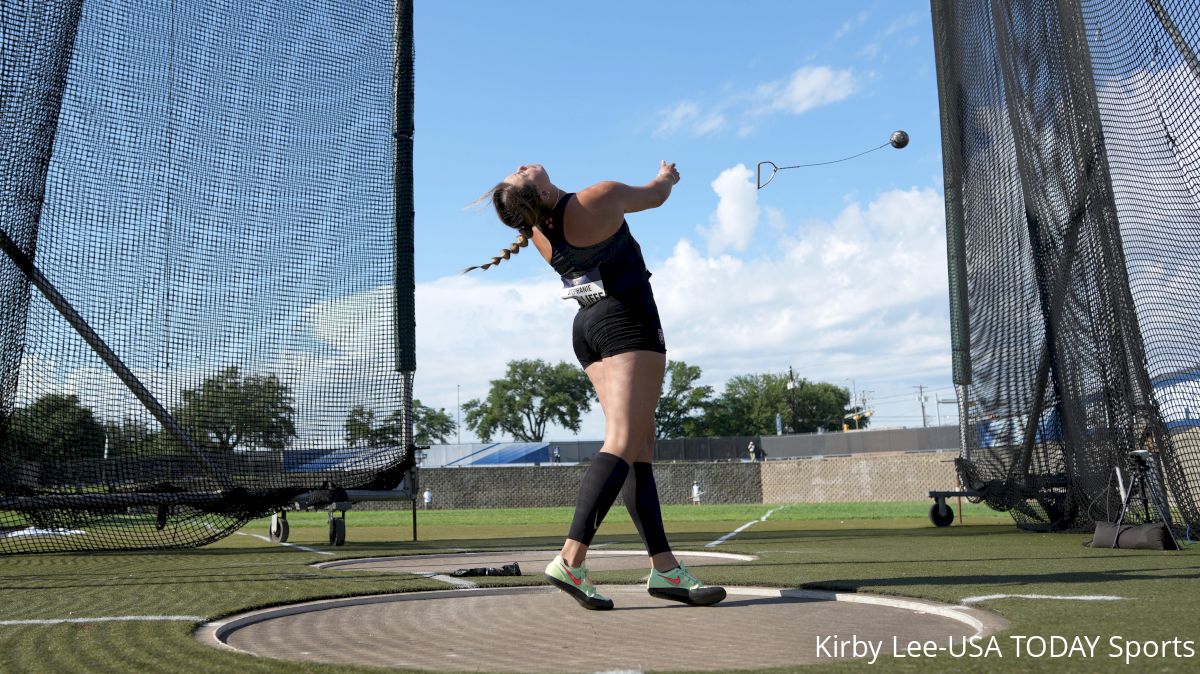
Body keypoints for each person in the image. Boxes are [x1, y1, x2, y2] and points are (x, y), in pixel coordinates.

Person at [468, 162, 725, 611]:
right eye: (520, 175)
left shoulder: (540, 235)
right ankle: (571, 558)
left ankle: (665, 569)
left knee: (638, 446)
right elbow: (656, 195)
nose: (521, 166)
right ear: (542, 195)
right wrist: (668, 176)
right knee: (624, 440)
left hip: (587, 329)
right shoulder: (597, 197)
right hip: (627, 322)